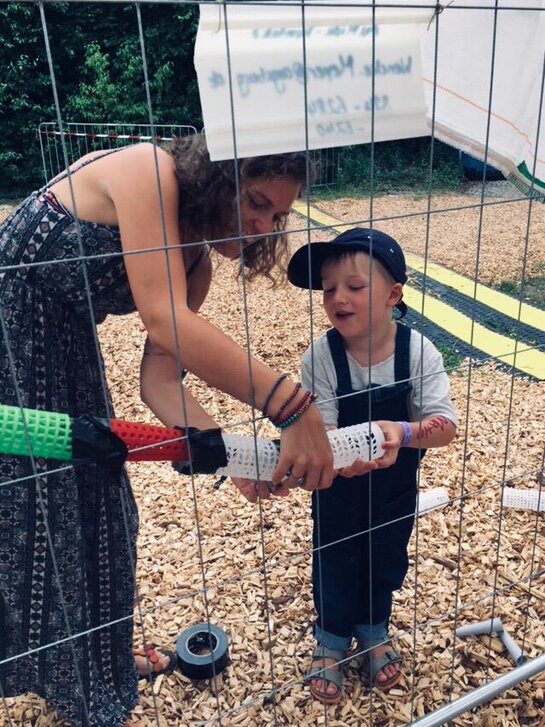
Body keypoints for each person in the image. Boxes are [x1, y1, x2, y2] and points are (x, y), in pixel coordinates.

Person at [0, 134, 333, 726]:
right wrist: (293, 408)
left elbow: (159, 380)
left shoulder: (196, 264)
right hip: (7, 339)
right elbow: (165, 321)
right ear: (218, 176)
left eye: (278, 215)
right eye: (255, 201)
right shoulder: (147, 170)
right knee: (27, 519)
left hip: (65, 352)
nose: (262, 225)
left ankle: (93, 666)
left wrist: (235, 458)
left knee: (106, 514)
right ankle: (62, 676)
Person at [287, 227, 457, 704]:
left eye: (355, 287)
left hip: (394, 489)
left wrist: (402, 432)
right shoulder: (320, 357)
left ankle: (374, 627)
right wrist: (333, 460)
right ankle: (332, 638)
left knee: (386, 556)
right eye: (328, 288)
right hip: (335, 486)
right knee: (334, 556)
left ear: (393, 295)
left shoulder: (418, 351)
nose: (337, 298)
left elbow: (444, 426)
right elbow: (322, 431)